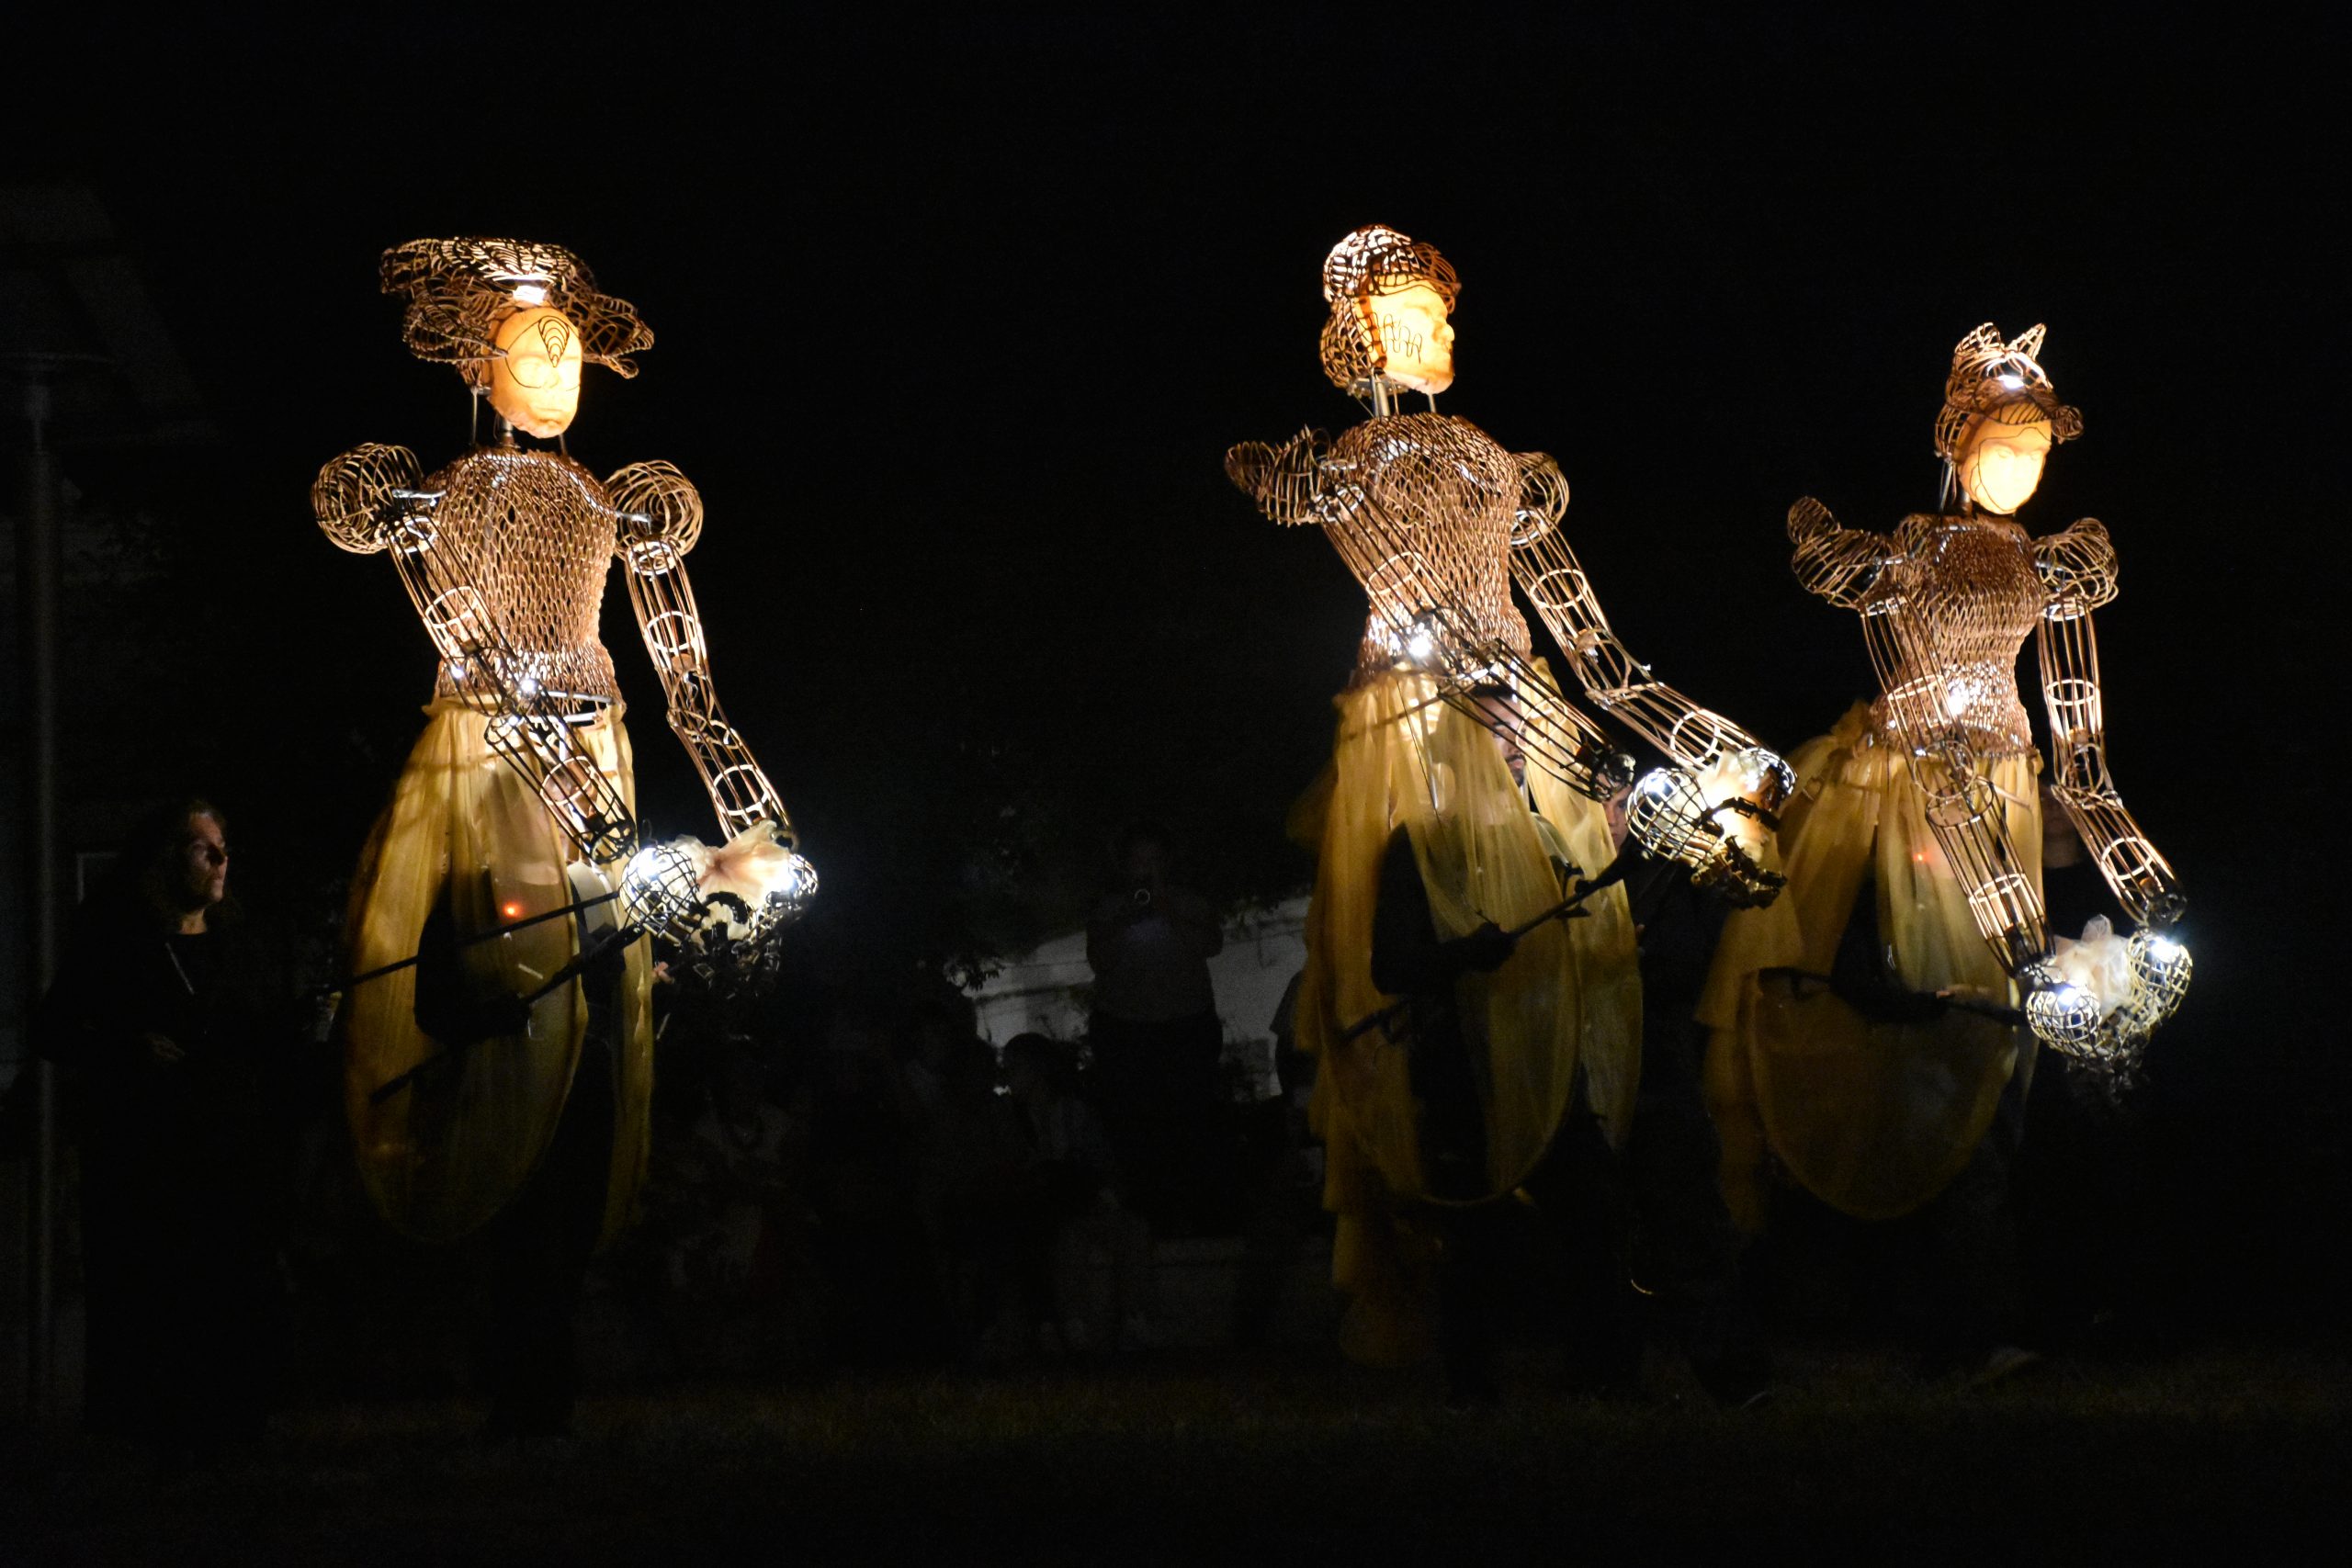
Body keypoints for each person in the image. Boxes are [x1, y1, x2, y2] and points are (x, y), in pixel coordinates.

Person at [35, 798, 293, 1459]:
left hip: (226, 1150)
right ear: (166, 858)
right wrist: (126, 1048)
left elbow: (265, 1035)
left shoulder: (238, 944)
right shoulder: (118, 942)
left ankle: (229, 1424)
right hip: (146, 1156)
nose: (221, 859)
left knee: (225, 1285)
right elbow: (54, 1029)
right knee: (155, 1289)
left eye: (223, 845)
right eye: (204, 847)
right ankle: (154, 1430)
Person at [1084, 821, 1226, 1235]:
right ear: (1125, 867)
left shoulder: (1189, 902)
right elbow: (1099, 961)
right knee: (1137, 1130)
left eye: (1154, 861)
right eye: (1138, 862)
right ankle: (1145, 1213)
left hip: (1185, 1029)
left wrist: (1168, 910)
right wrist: (1126, 918)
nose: (1146, 870)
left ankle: (1199, 1214)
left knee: (1192, 1125)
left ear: (1167, 863)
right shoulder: (1109, 909)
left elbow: (1211, 945)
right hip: (1127, 1035)